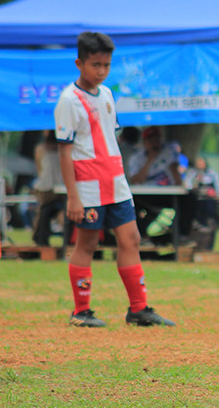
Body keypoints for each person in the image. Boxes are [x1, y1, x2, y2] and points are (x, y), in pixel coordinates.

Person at [54, 31, 174, 327]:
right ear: (79, 63)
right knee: (88, 243)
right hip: (88, 185)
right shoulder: (69, 100)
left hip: (116, 182)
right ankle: (81, 311)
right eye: (95, 65)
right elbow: (65, 152)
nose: (102, 71)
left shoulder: (107, 94)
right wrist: (73, 196)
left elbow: (109, 138)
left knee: (131, 238)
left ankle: (139, 309)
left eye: (106, 65)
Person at [31, 130, 65, 246]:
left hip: (46, 188)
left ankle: (39, 235)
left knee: (43, 210)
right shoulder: (65, 147)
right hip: (62, 187)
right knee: (58, 210)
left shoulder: (40, 148)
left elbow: (39, 169)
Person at [184, 156, 219, 230]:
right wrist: (193, 187)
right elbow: (188, 183)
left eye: (202, 163)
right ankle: (199, 223)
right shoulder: (193, 173)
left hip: (209, 196)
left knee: (210, 206)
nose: (200, 165)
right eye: (199, 164)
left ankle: (210, 223)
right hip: (197, 196)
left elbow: (217, 184)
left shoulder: (211, 172)